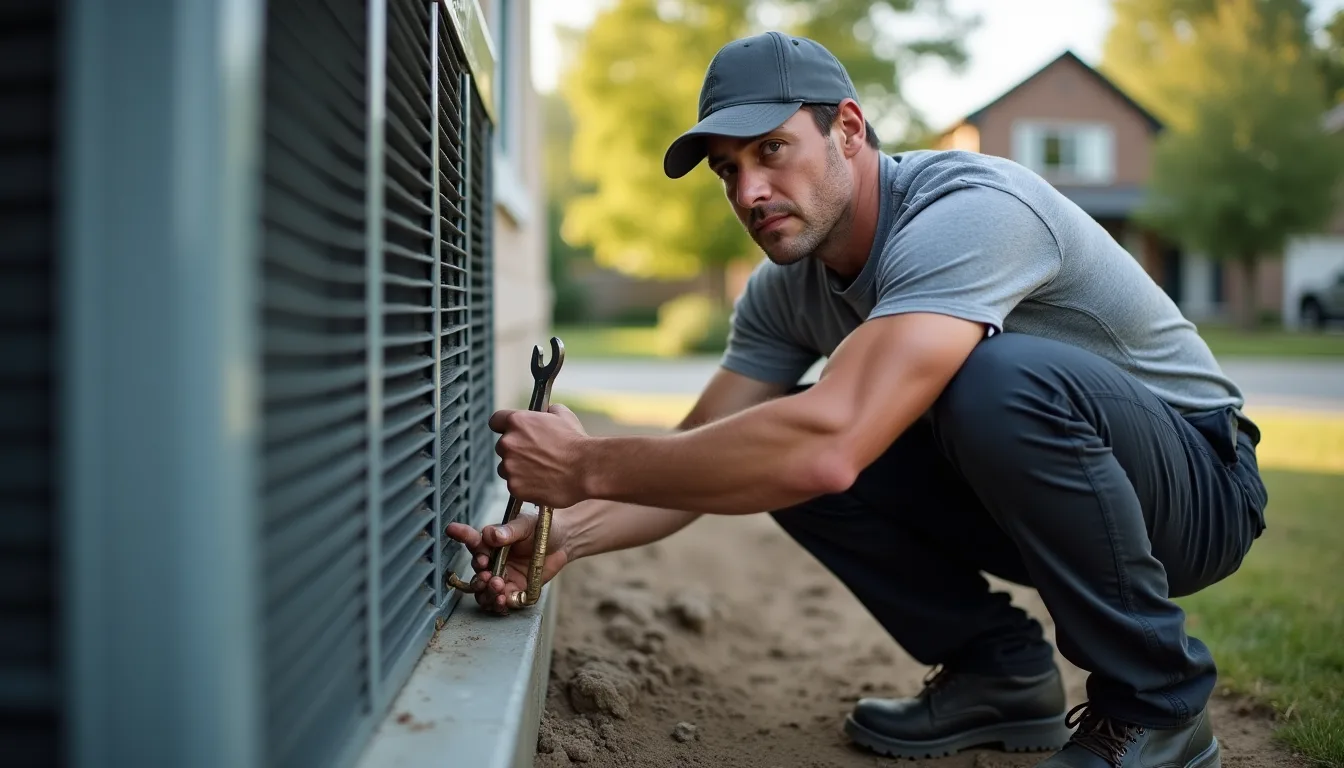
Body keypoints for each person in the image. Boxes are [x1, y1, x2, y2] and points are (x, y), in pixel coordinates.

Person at [446, 31, 1267, 768]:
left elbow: (829, 442)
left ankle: (1157, 706)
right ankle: (1000, 673)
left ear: (847, 128)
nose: (748, 191)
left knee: (975, 383)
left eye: (772, 149)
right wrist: (558, 539)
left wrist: (586, 463)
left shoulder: (970, 212)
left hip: (1195, 488)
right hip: (1041, 496)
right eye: (729, 169)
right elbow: (705, 447)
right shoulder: (785, 289)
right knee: (761, 445)